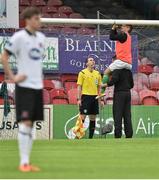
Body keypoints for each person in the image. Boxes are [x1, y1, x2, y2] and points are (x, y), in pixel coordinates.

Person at [0, 7, 45, 172]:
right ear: (28, 20)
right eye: (37, 19)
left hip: (37, 87)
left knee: (32, 124)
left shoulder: (41, 38)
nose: (39, 22)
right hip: (24, 87)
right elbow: (4, 56)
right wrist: (12, 77)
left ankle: (27, 162)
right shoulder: (18, 37)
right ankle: (23, 162)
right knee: (25, 123)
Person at [98, 24, 133, 98]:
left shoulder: (124, 35)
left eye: (123, 26)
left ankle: (101, 92)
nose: (121, 27)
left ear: (128, 28)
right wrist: (115, 30)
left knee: (106, 72)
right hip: (129, 63)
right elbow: (116, 36)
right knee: (114, 74)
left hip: (121, 60)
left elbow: (112, 37)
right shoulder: (128, 37)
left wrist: (113, 28)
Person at [102, 68, 134, 138]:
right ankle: (129, 135)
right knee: (127, 115)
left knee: (117, 115)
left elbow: (113, 81)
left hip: (119, 93)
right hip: (128, 93)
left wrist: (104, 85)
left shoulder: (117, 70)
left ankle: (118, 135)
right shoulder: (129, 71)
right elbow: (132, 85)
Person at [77, 57, 103, 139]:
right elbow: (79, 87)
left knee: (93, 117)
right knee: (82, 117)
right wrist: (79, 99)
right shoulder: (82, 73)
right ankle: (78, 136)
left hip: (95, 97)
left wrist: (100, 100)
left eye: (93, 60)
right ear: (86, 63)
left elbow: (99, 88)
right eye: (90, 60)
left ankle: (90, 138)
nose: (93, 61)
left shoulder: (98, 74)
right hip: (86, 97)